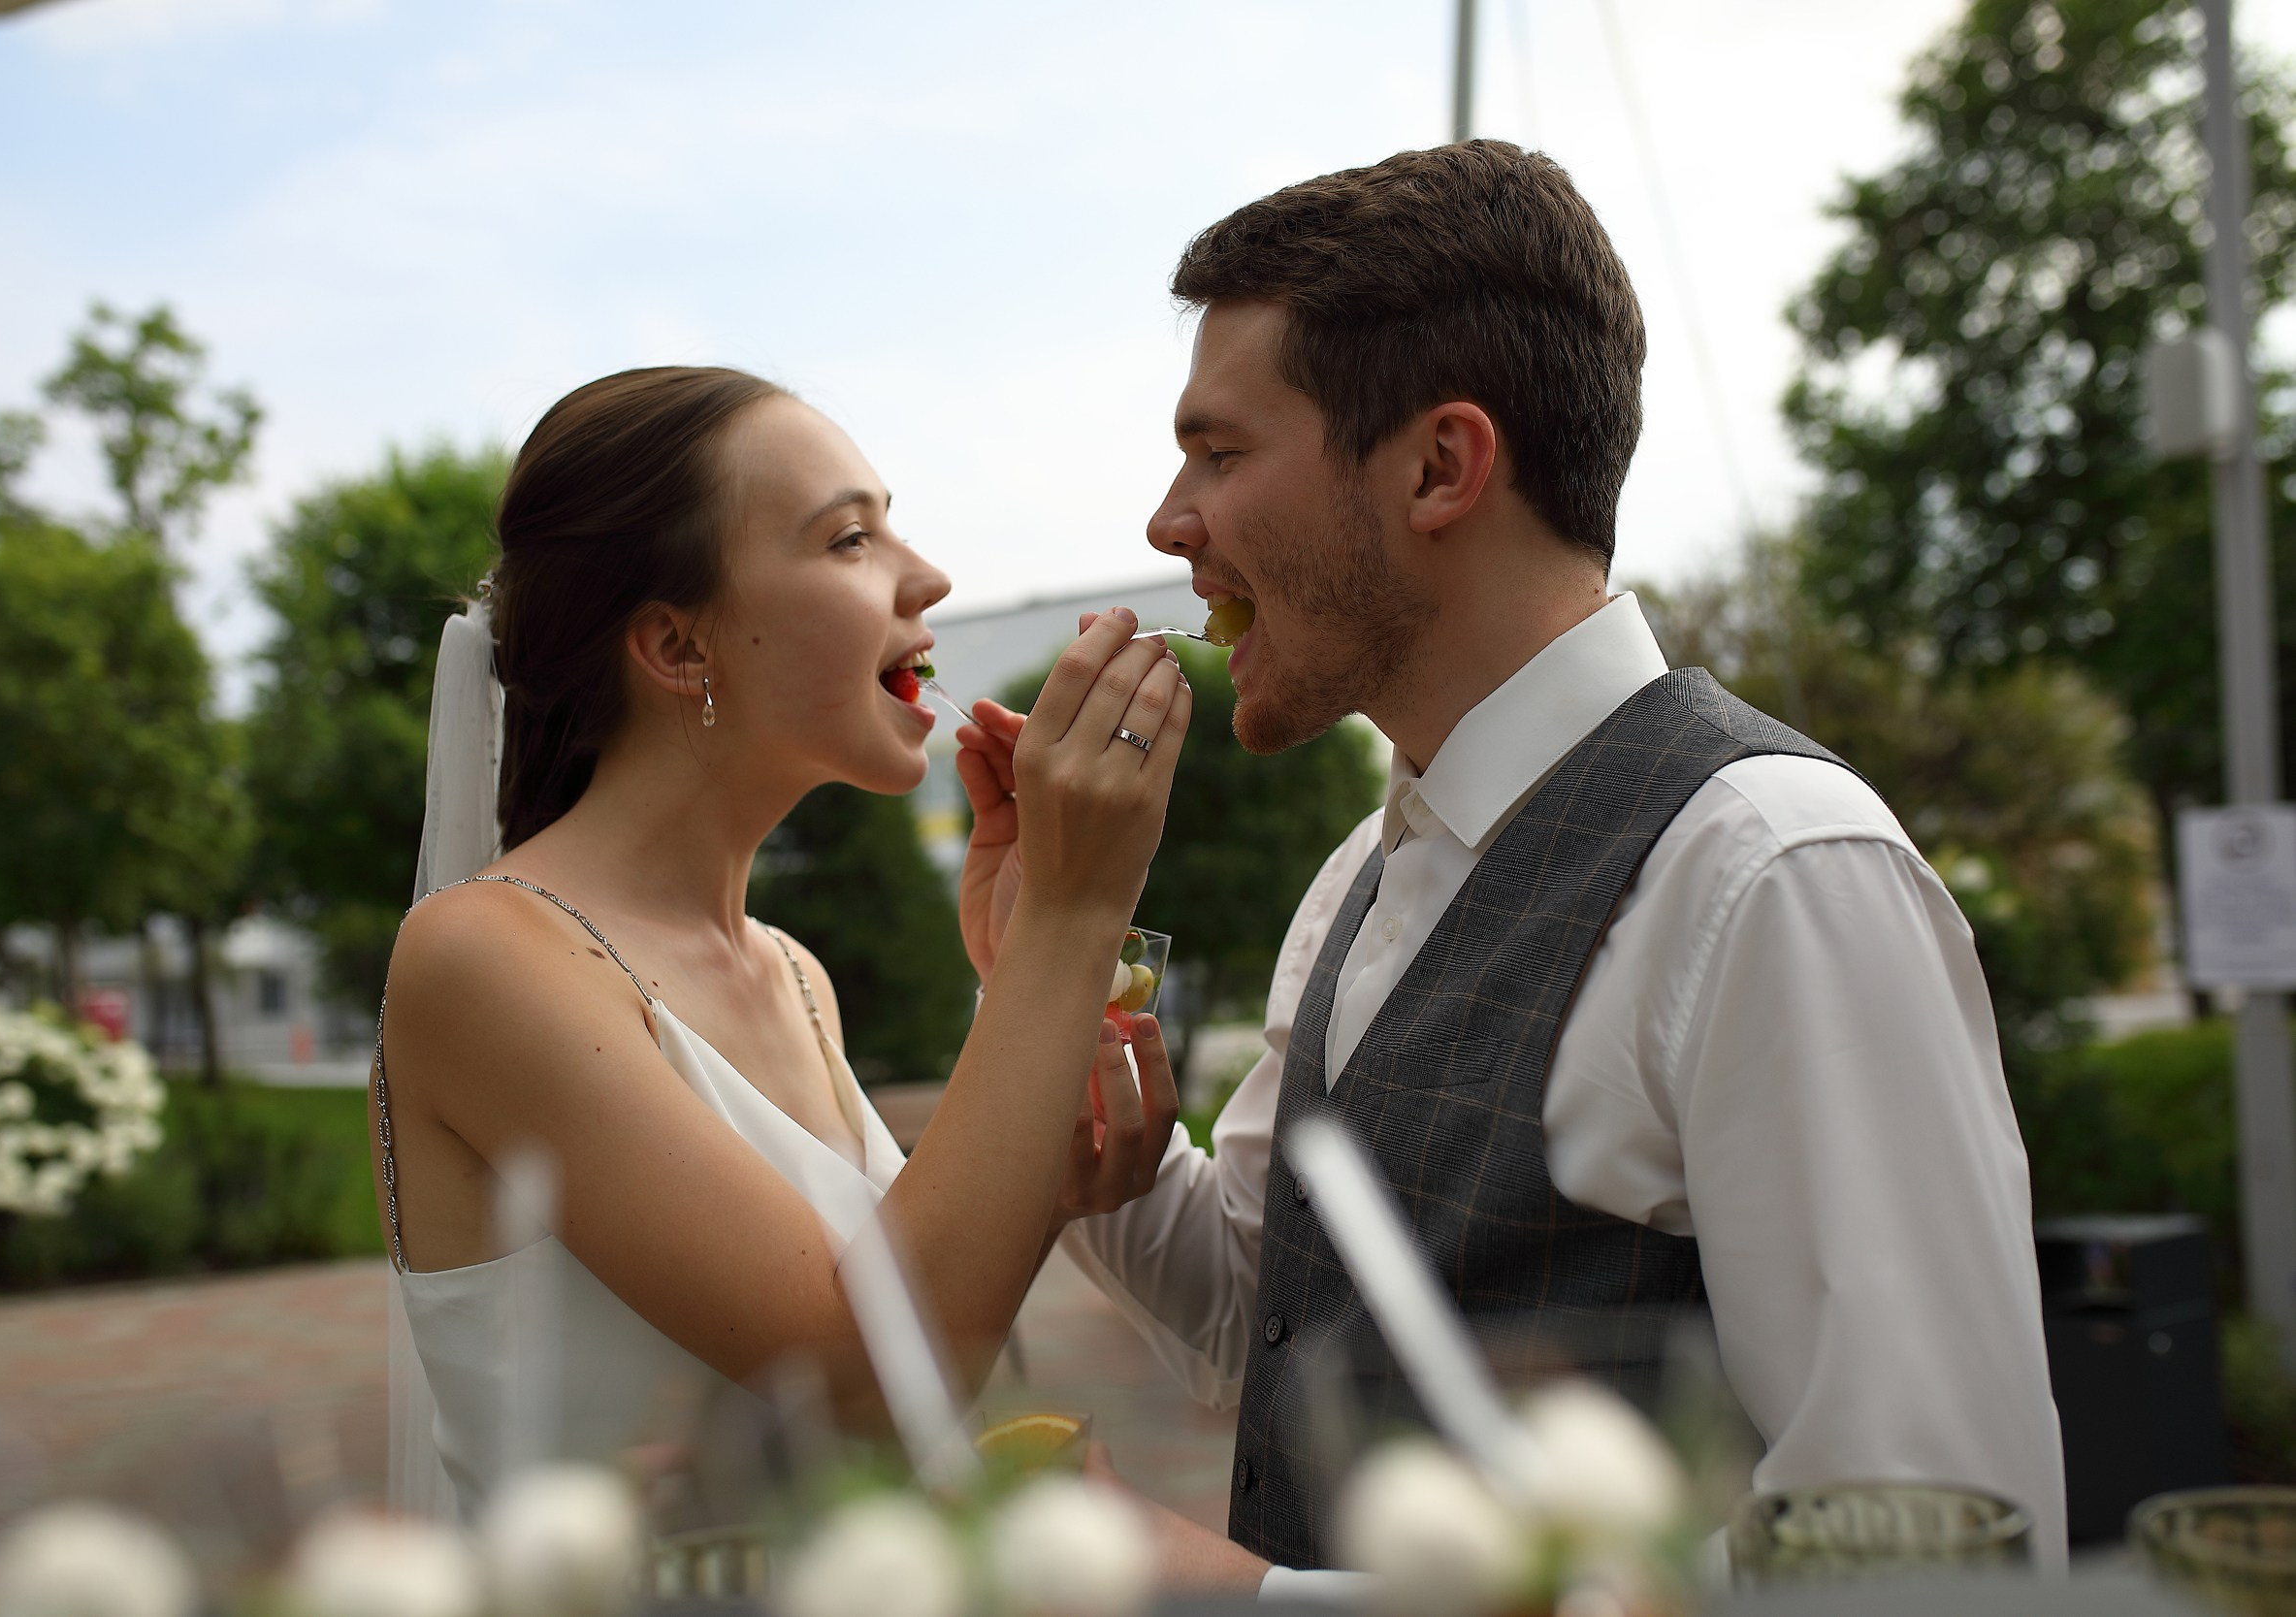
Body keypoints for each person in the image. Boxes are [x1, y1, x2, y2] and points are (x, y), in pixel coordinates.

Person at [961, 142, 2067, 1593]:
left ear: (1439, 466)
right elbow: (1278, 1312)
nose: (1173, 525)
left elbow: (1926, 1562)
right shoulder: (1364, 867)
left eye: (1221, 453)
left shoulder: (1775, 873)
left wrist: (1228, 1594)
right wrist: (1057, 1008)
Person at [372, 366, 1187, 1513]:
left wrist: (1043, 1155)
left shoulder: (795, 974)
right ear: (675, 646)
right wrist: (1069, 913)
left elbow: (896, 1364)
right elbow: (855, 1384)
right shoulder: (484, 957)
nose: (930, 575)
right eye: (851, 538)